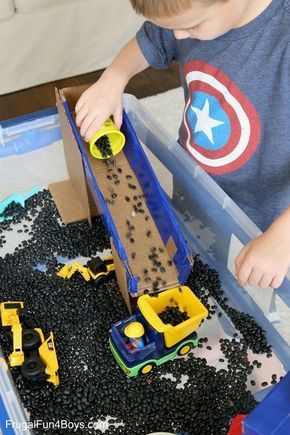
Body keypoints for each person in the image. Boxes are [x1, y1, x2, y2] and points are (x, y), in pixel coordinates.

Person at [75, 0, 290, 290]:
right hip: (196, 180)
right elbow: (152, 37)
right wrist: (114, 77)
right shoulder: (188, 15)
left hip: (272, 212)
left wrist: (283, 237)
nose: (178, 37)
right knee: (204, 265)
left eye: (192, 25)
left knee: (263, 277)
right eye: (172, 28)